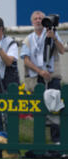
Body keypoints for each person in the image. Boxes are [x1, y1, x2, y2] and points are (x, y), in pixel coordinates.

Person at [21, 11, 65, 143]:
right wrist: (40, 71)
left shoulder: (53, 34)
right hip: (37, 77)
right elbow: (26, 60)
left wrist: (54, 38)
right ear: (32, 22)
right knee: (39, 108)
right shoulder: (28, 39)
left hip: (53, 75)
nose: (38, 21)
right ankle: (39, 140)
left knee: (54, 107)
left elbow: (62, 50)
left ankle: (57, 140)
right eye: (36, 19)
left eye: (41, 18)